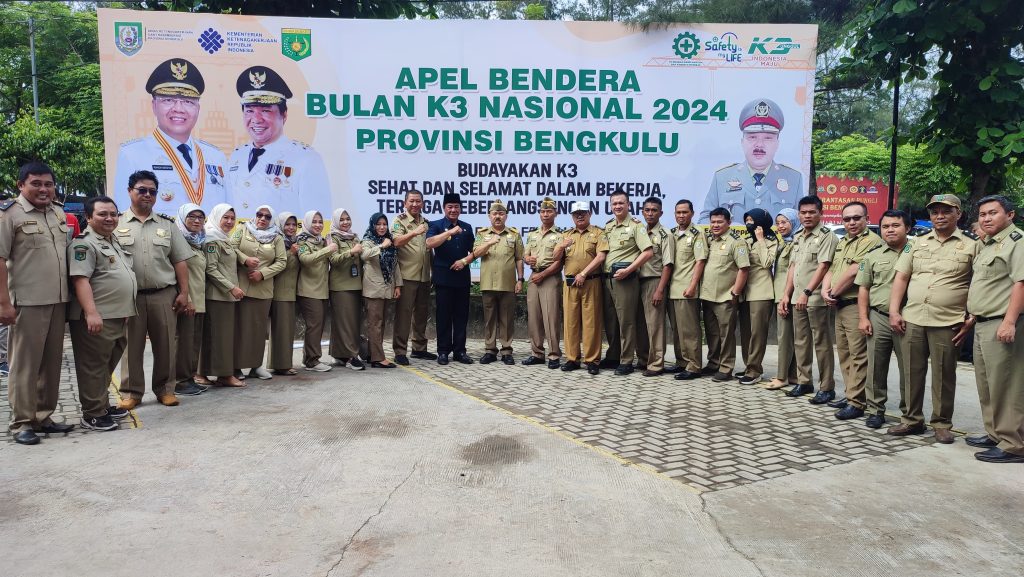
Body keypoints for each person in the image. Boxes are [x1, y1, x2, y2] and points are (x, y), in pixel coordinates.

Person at [888, 194, 977, 443]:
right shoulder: (916, 243)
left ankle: (941, 423)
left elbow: (979, 283)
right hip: (913, 317)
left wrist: (972, 317)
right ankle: (912, 420)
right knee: (911, 371)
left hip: (948, 321)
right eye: (935, 212)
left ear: (958, 214)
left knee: (944, 374)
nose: (940, 216)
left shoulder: (972, 245)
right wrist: (894, 311)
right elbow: (901, 277)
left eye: (946, 211)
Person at [0, 162, 73, 445]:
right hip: (27, 303)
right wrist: (4, 304)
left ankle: (43, 416)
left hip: (58, 299)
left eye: (48, 184)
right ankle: (21, 422)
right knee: (25, 366)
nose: (44, 189)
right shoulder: (9, 214)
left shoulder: (57, 212)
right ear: (21, 185)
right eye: (36, 183)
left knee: (51, 364)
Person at [115, 170, 193, 409]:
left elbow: (180, 260)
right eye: (142, 190)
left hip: (163, 295)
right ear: (130, 191)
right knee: (131, 347)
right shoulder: (116, 223)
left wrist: (184, 293)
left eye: (152, 191)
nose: (147, 195)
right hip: (130, 298)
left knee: (166, 345)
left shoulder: (167, 225)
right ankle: (131, 392)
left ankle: (165, 389)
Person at [114, 58, 227, 213]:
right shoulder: (132, 154)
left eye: (188, 101)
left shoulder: (216, 156)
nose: (178, 109)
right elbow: (124, 215)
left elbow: (229, 213)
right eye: (168, 100)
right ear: (154, 105)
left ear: (198, 108)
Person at [68, 196, 137, 431]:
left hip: (117, 315)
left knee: (106, 365)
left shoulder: (112, 241)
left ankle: (102, 405)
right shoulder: (83, 244)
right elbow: (80, 280)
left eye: (113, 214)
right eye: (102, 214)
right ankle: (93, 414)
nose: (109, 218)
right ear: (88, 217)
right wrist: (91, 312)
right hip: (98, 317)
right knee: (93, 366)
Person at [964, 195, 1024, 463]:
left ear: (1010, 215)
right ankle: (995, 433)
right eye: (982, 214)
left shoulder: (1017, 242)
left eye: (993, 213)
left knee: (1006, 385)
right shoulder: (988, 244)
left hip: (1002, 322)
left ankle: (1013, 443)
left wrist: (1009, 321)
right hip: (983, 323)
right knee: (987, 383)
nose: (986, 218)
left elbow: (1021, 283)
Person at [226, 66, 330, 216]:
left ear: (284, 115)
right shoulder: (237, 155)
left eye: (265, 110)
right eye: (249, 110)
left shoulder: (306, 159)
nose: (256, 119)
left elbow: (318, 219)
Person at [822, 201, 883, 416]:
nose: (852, 222)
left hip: (855, 304)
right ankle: (850, 394)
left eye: (857, 218)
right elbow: (832, 269)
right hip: (839, 303)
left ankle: (856, 402)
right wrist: (825, 290)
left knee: (858, 355)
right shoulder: (843, 241)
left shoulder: (871, 241)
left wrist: (832, 293)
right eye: (847, 219)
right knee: (845, 353)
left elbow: (853, 271)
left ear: (867, 219)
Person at [699, 98, 802, 224]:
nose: (759, 145)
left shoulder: (794, 179)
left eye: (768, 138)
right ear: (742, 142)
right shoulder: (722, 177)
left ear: (777, 143)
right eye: (752, 137)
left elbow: (800, 223)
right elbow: (705, 219)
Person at [855, 209, 913, 428]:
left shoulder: (917, 251)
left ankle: (909, 414)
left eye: (895, 225)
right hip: (878, 316)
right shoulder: (873, 255)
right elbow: (864, 288)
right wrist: (863, 318)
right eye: (885, 226)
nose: (890, 230)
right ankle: (875, 410)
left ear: (907, 228)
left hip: (909, 318)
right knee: (876, 367)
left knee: (909, 368)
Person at [781, 195, 838, 402]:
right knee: (801, 341)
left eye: (812, 212)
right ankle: (804, 381)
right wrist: (786, 294)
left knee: (821, 343)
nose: (807, 216)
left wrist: (806, 292)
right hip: (797, 298)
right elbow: (793, 267)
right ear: (798, 214)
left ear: (820, 213)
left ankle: (827, 387)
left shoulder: (826, 236)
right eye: (803, 212)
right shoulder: (798, 236)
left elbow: (824, 266)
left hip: (815, 299)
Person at [231, 204, 287, 380]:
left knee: (258, 330)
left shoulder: (277, 237)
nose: (263, 218)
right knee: (239, 329)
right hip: (240, 288)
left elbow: (282, 261)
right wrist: (245, 259)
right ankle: (235, 367)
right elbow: (230, 247)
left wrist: (262, 274)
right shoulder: (242, 229)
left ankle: (256, 366)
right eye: (259, 214)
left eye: (267, 217)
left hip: (263, 290)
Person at [601, 189, 654, 375]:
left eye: (621, 203)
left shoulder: (636, 226)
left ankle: (626, 360)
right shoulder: (608, 226)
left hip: (626, 280)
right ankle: (613, 356)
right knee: (611, 321)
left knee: (626, 321)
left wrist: (629, 269)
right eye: (614, 203)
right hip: (608, 279)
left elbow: (648, 252)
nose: (617, 206)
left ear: (628, 205)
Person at [558, 201, 608, 375]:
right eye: (576, 213)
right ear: (572, 216)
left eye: (583, 212)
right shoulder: (565, 235)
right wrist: (561, 246)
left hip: (591, 282)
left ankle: (592, 360)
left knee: (591, 323)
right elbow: (556, 258)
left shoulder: (598, 233)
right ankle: (572, 359)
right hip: (570, 284)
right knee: (570, 323)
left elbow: (601, 257)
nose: (579, 216)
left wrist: (584, 273)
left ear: (590, 214)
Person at [700, 208, 750, 382]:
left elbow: (744, 269)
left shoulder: (736, 242)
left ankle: (726, 367)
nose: (715, 225)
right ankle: (714, 363)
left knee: (726, 335)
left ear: (729, 222)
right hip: (708, 296)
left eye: (719, 222)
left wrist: (735, 292)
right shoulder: (710, 240)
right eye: (713, 222)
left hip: (725, 297)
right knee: (712, 333)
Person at [426, 193, 476, 365]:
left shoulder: (467, 227)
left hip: (462, 278)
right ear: (444, 208)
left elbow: (474, 252)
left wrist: (465, 261)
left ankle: (460, 351)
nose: (453, 210)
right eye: (450, 207)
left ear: (460, 209)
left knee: (461, 316)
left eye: (456, 207)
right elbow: (429, 243)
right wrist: (450, 231)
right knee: (443, 316)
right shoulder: (436, 225)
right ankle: (443, 351)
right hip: (443, 279)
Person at [473, 200, 524, 364]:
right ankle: (490, 350)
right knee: (489, 319)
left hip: (507, 283)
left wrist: (520, 279)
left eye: (501, 214)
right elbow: (476, 253)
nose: (497, 216)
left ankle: (506, 351)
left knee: (507, 319)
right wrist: (489, 242)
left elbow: (519, 258)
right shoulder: (482, 234)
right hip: (488, 283)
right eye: (494, 213)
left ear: (506, 216)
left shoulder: (514, 234)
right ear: (489, 216)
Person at [201, 204, 245, 387]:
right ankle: (224, 375)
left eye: (232, 218)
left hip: (225, 297)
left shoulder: (223, 238)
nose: (229, 221)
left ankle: (206, 373)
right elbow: (211, 269)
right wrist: (231, 288)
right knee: (221, 337)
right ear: (216, 217)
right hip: (218, 296)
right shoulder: (212, 239)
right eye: (225, 217)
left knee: (221, 337)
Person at [391, 189, 436, 365]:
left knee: (422, 314)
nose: (415, 204)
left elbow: (429, 248)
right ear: (405, 203)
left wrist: (434, 272)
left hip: (424, 276)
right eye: (412, 201)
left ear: (423, 203)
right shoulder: (399, 221)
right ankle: (400, 351)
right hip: (406, 276)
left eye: (418, 201)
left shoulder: (426, 222)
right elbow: (396, 242)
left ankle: (419, 348)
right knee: (404, 315)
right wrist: (414, 232)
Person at [668, 200, 708, 381]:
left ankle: (694, 366)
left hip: (686, 289)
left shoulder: (697, 234)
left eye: (685, 212)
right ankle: (682, 362)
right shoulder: (672, 233)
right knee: (677, 330)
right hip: (672, 288)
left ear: (692, 213)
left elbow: (700, 261)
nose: (681, 215)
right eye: (678, 212)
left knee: (690, 331)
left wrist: (692, 286)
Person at [522, 197, 564, 369]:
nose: (545, 214)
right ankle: (537, 353)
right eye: (543, 211)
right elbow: (525, 254)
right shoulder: (532, 234)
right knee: (534, 317)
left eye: (549, 211)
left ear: (555, 213)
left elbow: (559, 262)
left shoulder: (560, 235)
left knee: (551, 317)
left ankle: (554, 355)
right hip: (534, 277)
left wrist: (543, 274)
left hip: (550, 277)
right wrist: (527, 259)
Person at [737, 208, 778, 385]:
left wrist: (760, 240)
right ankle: (748, 365)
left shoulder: (771, 240)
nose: (749, 223)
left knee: (757, 333)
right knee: (746, 332)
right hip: (745, 292)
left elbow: (767, 262)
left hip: (761, 292)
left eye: (752, 220)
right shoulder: (746, 240)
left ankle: (755, 370)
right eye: (747, 220)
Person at [636, 197, 674, 377]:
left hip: (654, 281)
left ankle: (657, 363)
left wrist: (660, 289)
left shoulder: (665, 234)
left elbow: (668, 264)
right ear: (642, 212)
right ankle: (644, 359)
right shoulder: (639, 231)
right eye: (647, 210)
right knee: (641, 325)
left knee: (655, 325)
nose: (650, 213)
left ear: (661, 213)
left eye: (654, 210)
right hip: (636, 281)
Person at [296, 210, 339, 371]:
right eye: (314, 221)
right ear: (307, 223)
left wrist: (328, 247)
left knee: (318, 326)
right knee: (314, 325)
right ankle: (312, 361)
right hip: (308, 290)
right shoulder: (302, 241)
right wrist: (328, 250)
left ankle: (308, 358)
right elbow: (306, 260)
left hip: (322, 290)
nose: (318, 225)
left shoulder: (322, 241)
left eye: (320, 222)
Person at [173, 203, 208, 396]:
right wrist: (188, 298)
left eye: (200, 217)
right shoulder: (178, 240)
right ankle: (180, 381)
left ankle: (189, 378)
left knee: (193, 343)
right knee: (184, 343)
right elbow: (176, 273)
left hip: (200, 301)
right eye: (191, 217)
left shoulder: (199, 241)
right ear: (182, 218)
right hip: (187, 300)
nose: (196, 221)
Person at [764, 209, 801, 390]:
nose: (780, 226)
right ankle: (792, 375)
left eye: (784, 222)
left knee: (785, 338)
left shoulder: (796, 243)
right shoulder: (784, 243)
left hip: (787, 296)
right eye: (778, 223)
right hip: (781, 294)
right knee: (789, 337)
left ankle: (782, 377)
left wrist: (785, 296)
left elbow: (794, 272)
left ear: (794, 222)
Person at [361, 213, 403, 368]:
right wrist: (381, 246)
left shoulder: (389, 241)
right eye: (378, 224)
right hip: (373, 289)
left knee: (380, 323)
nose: (381, 227)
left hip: (387, 288)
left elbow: (395, 265)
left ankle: (372, 354)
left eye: (384, 224)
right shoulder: (368, 240)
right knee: (375, 324)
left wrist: (398, 285)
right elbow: (364, 255)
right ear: (373, 225)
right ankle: (378, 358)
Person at [328, 208, 365, 370]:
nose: (345, 222)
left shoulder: (354, 236)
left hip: (356, 284)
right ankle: (351, 356)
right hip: (341, 286)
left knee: (351, 322)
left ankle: (339, 354)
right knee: (345, 322)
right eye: (342, 219)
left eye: (347, 219)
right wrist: (351, 252)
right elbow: (333, 259)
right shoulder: (332, 237)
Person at [268, 212, 301, 375]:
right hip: (280, 291)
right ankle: (281, 365)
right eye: (287, 224)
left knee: (287, 330)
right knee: (281, 330)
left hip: (292, 292)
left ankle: (283, 363)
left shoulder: (294, 242)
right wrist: (291, 253)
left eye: (294, 224)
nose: (291, 227)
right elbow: (275, 264)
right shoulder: (276, 240)